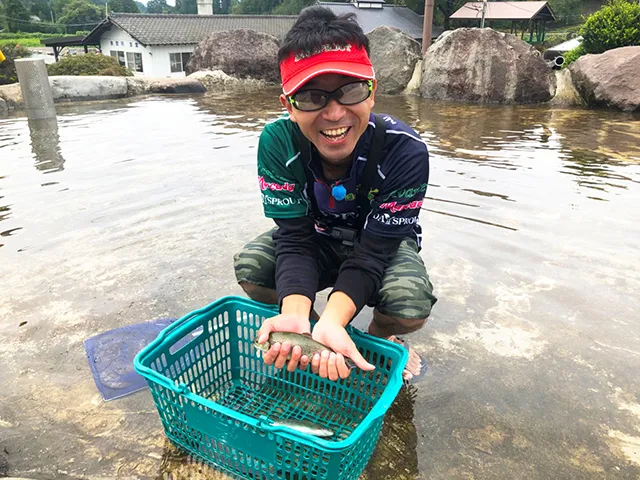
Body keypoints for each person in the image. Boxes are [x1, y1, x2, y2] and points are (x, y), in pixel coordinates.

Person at [234, 6, 437, 382]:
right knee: (253, 268)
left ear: (372, 91)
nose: (334, 113)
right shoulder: (277, 143)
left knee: (408, 305)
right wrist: (299, 318)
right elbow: (294, 239)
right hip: (317, 237)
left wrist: (336, 314)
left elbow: (375, 252)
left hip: (381, 243)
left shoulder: (406, 150)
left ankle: (378, 339)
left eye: (351, 90)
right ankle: (313, 334)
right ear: (288, 106)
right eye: (311, 97)